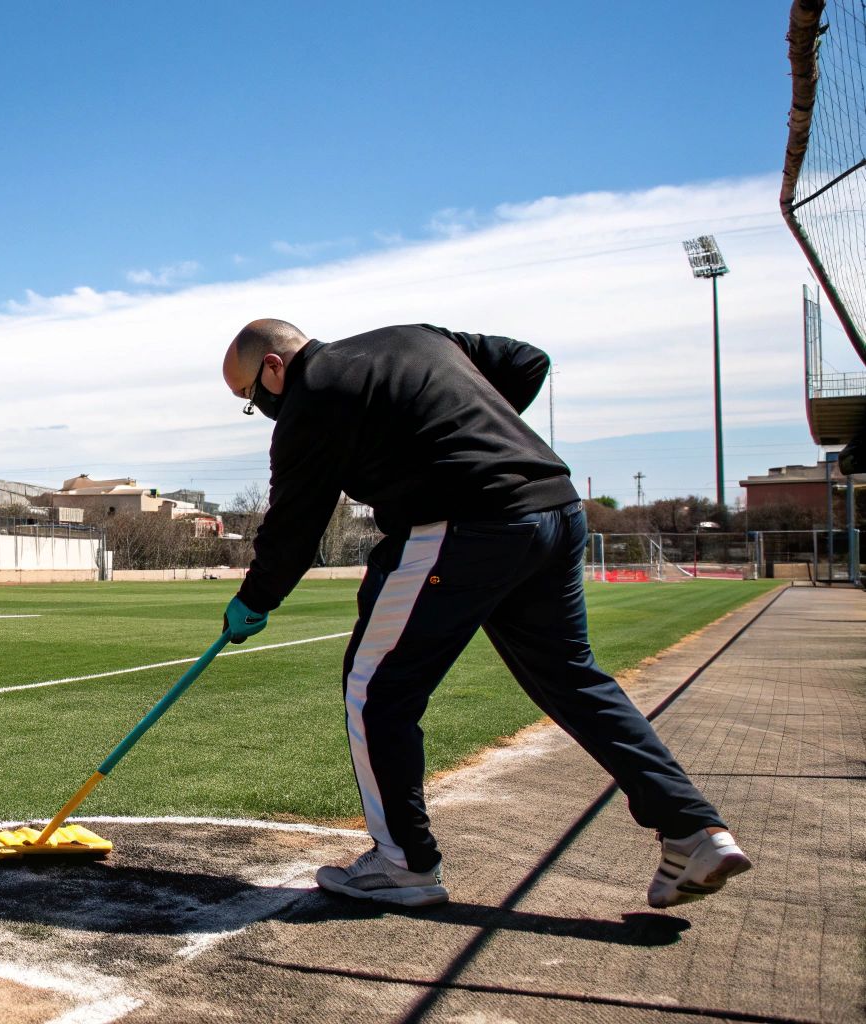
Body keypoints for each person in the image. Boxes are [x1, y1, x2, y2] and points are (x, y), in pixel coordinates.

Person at [218, 320, 749, 910]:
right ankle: (693, 831)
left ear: (273, 366)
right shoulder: (415, 336)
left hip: (463, 525)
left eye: (250, 398)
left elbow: (295, 522)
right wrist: (467, 432)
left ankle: (403, 865)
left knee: (376, 692)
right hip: (554, 509)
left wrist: (256, 599)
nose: (259, 408)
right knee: (572, 677)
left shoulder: (310, 399)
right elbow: (528, 361)